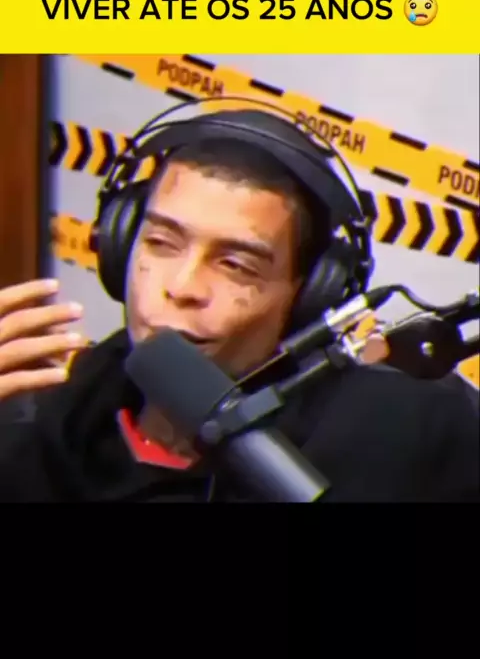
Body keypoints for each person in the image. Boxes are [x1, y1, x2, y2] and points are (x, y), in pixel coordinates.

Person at [0, 107, 478, 502]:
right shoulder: (45, 420)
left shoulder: (413, 429)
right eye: (162, 243)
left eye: (235, 265)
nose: (182, 286)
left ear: (311, 294)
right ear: (121, 244)